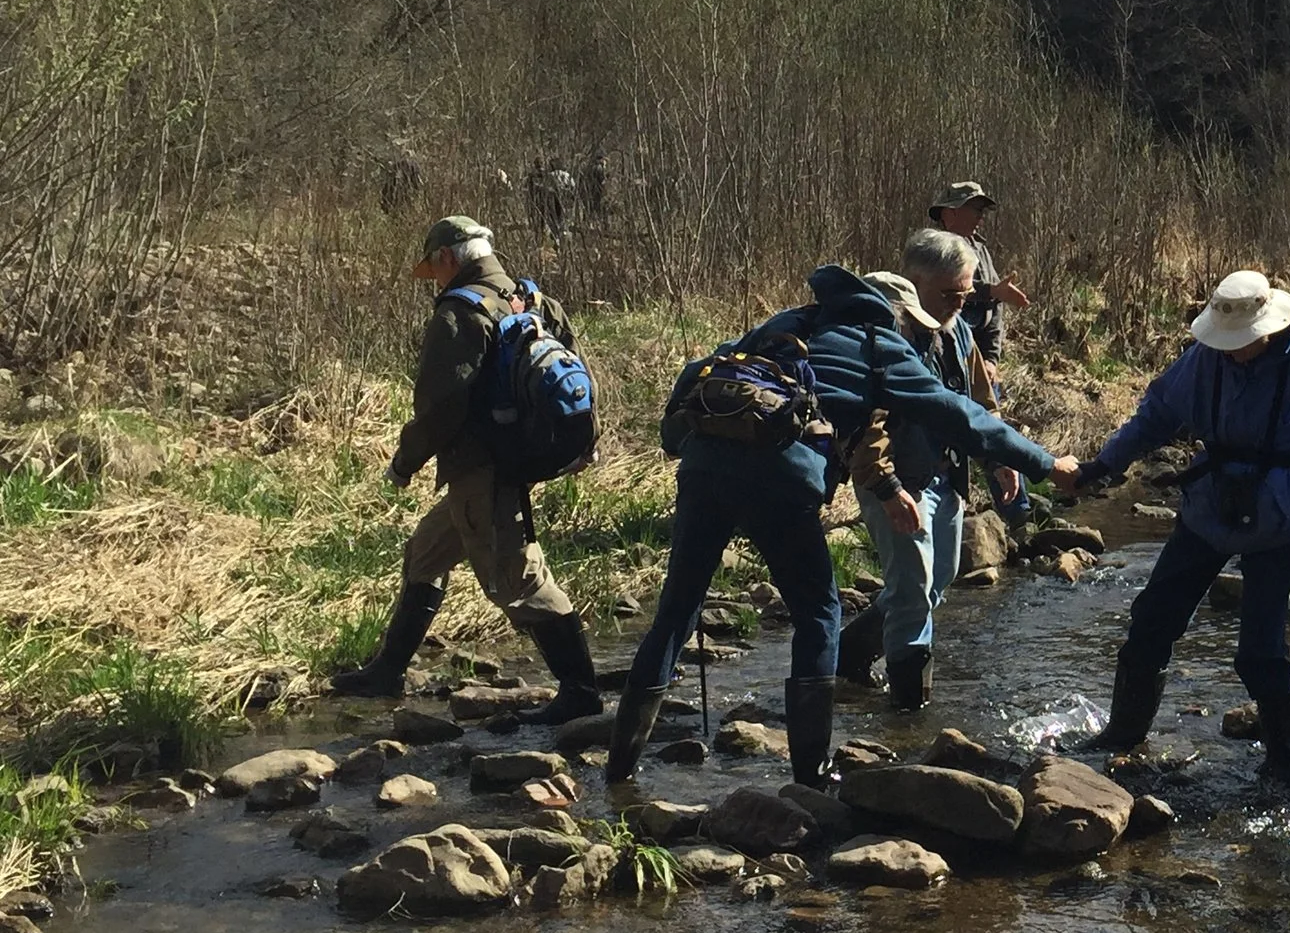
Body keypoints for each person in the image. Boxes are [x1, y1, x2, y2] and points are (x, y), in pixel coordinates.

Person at [607, 262, 1080, 788]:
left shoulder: (787, 321)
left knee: (676, 610)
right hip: (782, 479)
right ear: (895, 312)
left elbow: (704, 367)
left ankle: (619, 770)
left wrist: (682, 443)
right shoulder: (882, 343)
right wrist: (1043, 462)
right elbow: (960, 415)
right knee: (819, 613)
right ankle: (811, 773)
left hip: (704, 467)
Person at [1071, 269, 1290, 785]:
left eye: (1241, 344)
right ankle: (1124, 734)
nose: (1232, 351)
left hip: (1279, 518)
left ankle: (1284, 761)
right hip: (1208, 508)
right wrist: (1102, 467)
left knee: (1260, 649)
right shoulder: (1203, 360)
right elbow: (1154, 417)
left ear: (1269, 330)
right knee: (1152, 618)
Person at [331, 216, 601, 723]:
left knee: (519, 581)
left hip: (482, 471)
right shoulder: (532, 300)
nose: (433, 279)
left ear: (448, 258)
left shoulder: (459, 313)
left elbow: (440, 409)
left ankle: (581, 692)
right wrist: (585, 445)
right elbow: (579, 371)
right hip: (513, 461)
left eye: (433, 268)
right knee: (427, 551)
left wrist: (403, 463)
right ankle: (387, 670)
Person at [837, 233, 1024, 710]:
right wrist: (887, 487)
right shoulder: (884, 333)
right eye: (949, 293)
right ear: (912, 282)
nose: (959, 303)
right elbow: (868, 424)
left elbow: (978, 404)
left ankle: (845, 655)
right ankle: (909, 708)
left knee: (937, 582)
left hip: (948, 478)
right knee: (912, 593)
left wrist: (998, 458)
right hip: (898, 482)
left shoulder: (958, 327)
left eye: (965, 292)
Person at [929, 180, 1029, 366]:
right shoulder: (932, 251)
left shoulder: (980, 249)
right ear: (952, 212)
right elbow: (948, 291)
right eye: (977, 210)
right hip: (945, 357)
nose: (980, 218)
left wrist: (991, 359)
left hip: (980, 359)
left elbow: (995, 308)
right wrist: (991, 291)